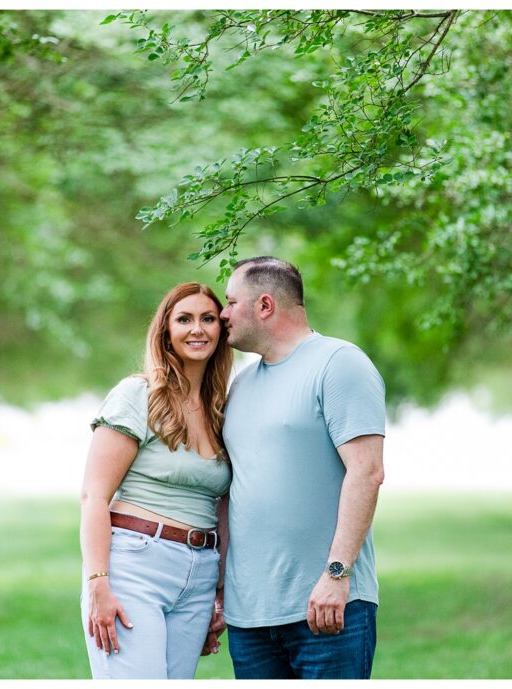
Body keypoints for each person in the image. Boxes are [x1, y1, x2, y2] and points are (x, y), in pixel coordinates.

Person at [219, 256, 386, 679]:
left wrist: (336, 574)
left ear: (265, 305)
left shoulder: (338, 363)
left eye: (230, 302)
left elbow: (366, 472)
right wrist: (220, 594)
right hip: (251, 618)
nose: (222, 315)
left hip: (327, 606)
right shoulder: (241, 383)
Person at [79, 282, 232, 679]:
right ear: (166, 331)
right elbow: (94, 496)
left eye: (208, 319)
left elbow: (222, 506)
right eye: (184, 319)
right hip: (136, 565)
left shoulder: (221, 410)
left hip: (199, 573)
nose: (197, 329)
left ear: (222, 329)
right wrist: (98, 582)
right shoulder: (138, 395)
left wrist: (217, 590)